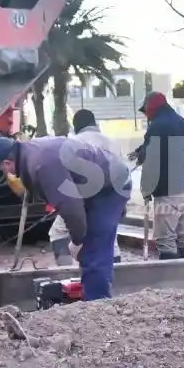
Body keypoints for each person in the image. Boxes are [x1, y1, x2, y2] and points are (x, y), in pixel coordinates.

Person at [0, 134, 131, 300]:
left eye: (2, 169)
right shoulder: (32, 152)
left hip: (111, 186)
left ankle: (97, 304)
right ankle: (93, 293)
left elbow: (71, 208)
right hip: (96, 185)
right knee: (91, 243)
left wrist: (78, 239)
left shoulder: (43, 165)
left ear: (7, 163)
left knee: (94, 245)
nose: (5, 173)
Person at [47, 109, 124, 266]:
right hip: (111, 197)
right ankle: (116, 275)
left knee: (58, 232)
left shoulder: (74, 142)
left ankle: (67, 271)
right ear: (94, 123)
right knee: (109, 237)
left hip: (83, 197)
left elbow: (67, 173)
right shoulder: (112, 143)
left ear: (76, 126)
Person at [129, 91, 184, 259]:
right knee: (183, 234)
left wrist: (146, 190)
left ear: (151, 107)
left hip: (168, 191)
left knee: (165, 239)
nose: (147, 116)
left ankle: (170, 279)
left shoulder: (157, 126)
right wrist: (140, 151)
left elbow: (152, 160)